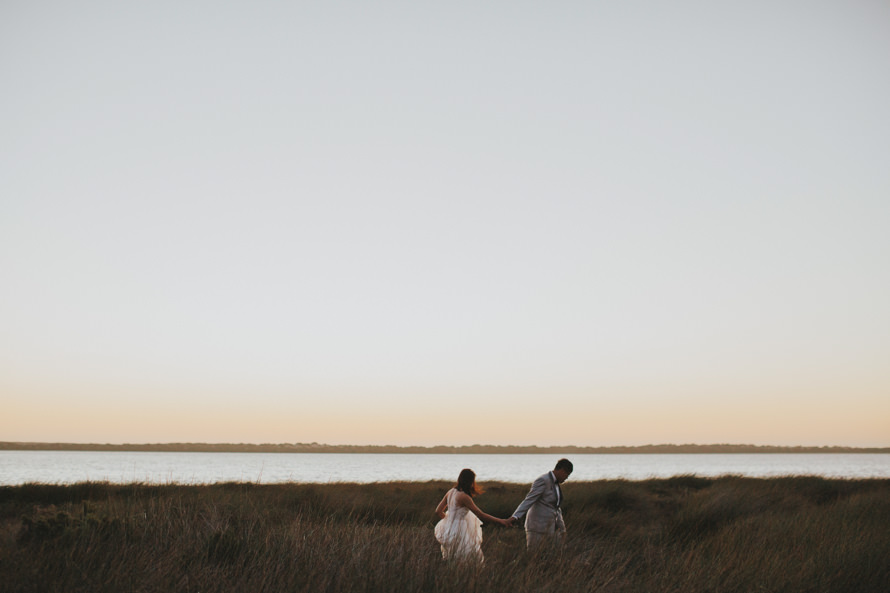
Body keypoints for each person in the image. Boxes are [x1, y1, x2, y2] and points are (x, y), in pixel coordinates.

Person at [434, 468, 510, 563]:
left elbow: (438, 511)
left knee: (453, 557)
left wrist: (449, 521)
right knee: (466, 557)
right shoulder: (464, 497)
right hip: (460, 530)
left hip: (449, 528)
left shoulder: (450, 492)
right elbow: (480, 514)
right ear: (470, 481)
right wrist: (501, 521)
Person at [508, 458, 573, 548]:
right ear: (562, 470)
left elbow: (556, 508)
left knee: (552, 556)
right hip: (536, 528)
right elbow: (529, 500)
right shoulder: (543, 480)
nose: (566, 478)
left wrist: (562, 528)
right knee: (534, 557)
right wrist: (515, 517)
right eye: (567, 475)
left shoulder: (557, 484)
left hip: (550, 528)